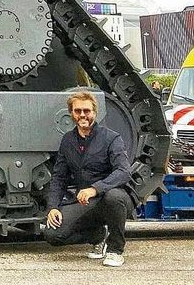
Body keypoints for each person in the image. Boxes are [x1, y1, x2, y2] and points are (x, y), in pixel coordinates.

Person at [43, 91, 134, 267]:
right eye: (77, 111)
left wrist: (95, 188)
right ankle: (98, 236)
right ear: (71, 113)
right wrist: (53, 207)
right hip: (87, 202)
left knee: (113, 197)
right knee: (53, 235)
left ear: (94, 113)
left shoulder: (111, 138)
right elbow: (59, 177)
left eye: (87, 110)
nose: (82, 115)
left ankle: (115, 250)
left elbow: (123, 172)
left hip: (115, 197)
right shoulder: (68, 140)